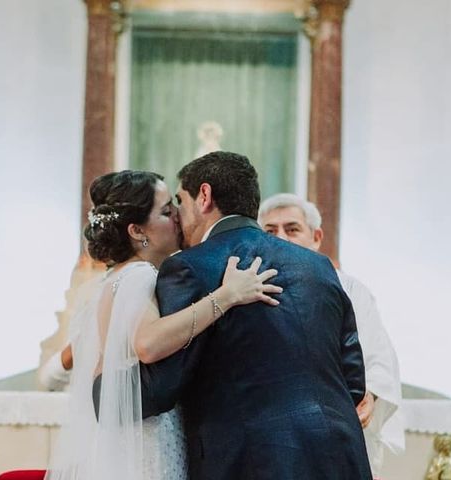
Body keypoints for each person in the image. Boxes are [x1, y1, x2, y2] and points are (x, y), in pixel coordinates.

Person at [137, 152, 372, 480]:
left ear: (204, 196)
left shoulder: (189, 266)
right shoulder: (317, 265)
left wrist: (104, 385)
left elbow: (163, 385)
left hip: (250, 460)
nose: (178, 214)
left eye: (181, 200)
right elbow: (354, 379)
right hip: (340, 453)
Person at [44, 170, 281, 480]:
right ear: (137, 230)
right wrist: (227, 296)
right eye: (167, 212)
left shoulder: (111, 281)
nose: (178, 219)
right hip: (148, 437)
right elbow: (149, 344)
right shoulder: (139, 275)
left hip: (126, 434)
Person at [258, 192, 404, 477]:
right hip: (271, 435)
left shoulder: (350, 290)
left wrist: (371, 395)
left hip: (334, 430)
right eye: (270, 230)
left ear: (316, 237)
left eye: (293, 229)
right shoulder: (250, 288)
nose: (282, 238)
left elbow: (378, 355)